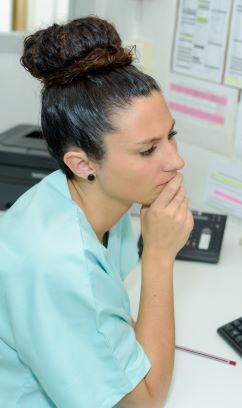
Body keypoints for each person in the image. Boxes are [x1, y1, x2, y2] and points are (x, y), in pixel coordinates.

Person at [0, 16, 194, 407]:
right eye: (147, 150)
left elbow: (111, 324)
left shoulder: (87, 201)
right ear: (83, 164)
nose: (176, 161)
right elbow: (144, 402)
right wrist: (159, 256)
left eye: (170, 135)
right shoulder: (58, 262)